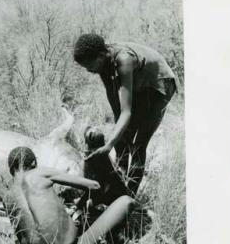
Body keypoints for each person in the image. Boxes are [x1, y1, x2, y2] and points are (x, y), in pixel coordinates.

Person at [73, 34, 177, 195]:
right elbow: (118, 109)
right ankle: (118, 188)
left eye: (89, 65)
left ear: (100, 55)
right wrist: (116, 140)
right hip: (140, 85)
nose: (88, 70)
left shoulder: (124, 60)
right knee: (122, 140)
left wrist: (107, 147)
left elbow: (126, 112)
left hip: (159, 86)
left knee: (138, 144)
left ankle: (130, 196)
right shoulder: (104, 66)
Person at [3, 144, 134, 244]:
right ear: (33, 164)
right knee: (125, 201)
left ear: (11, 170)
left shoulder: (7, 197)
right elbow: (94, 186)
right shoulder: (40, 173)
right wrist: (82, 203)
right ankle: (108, 243)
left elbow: (24, 235)